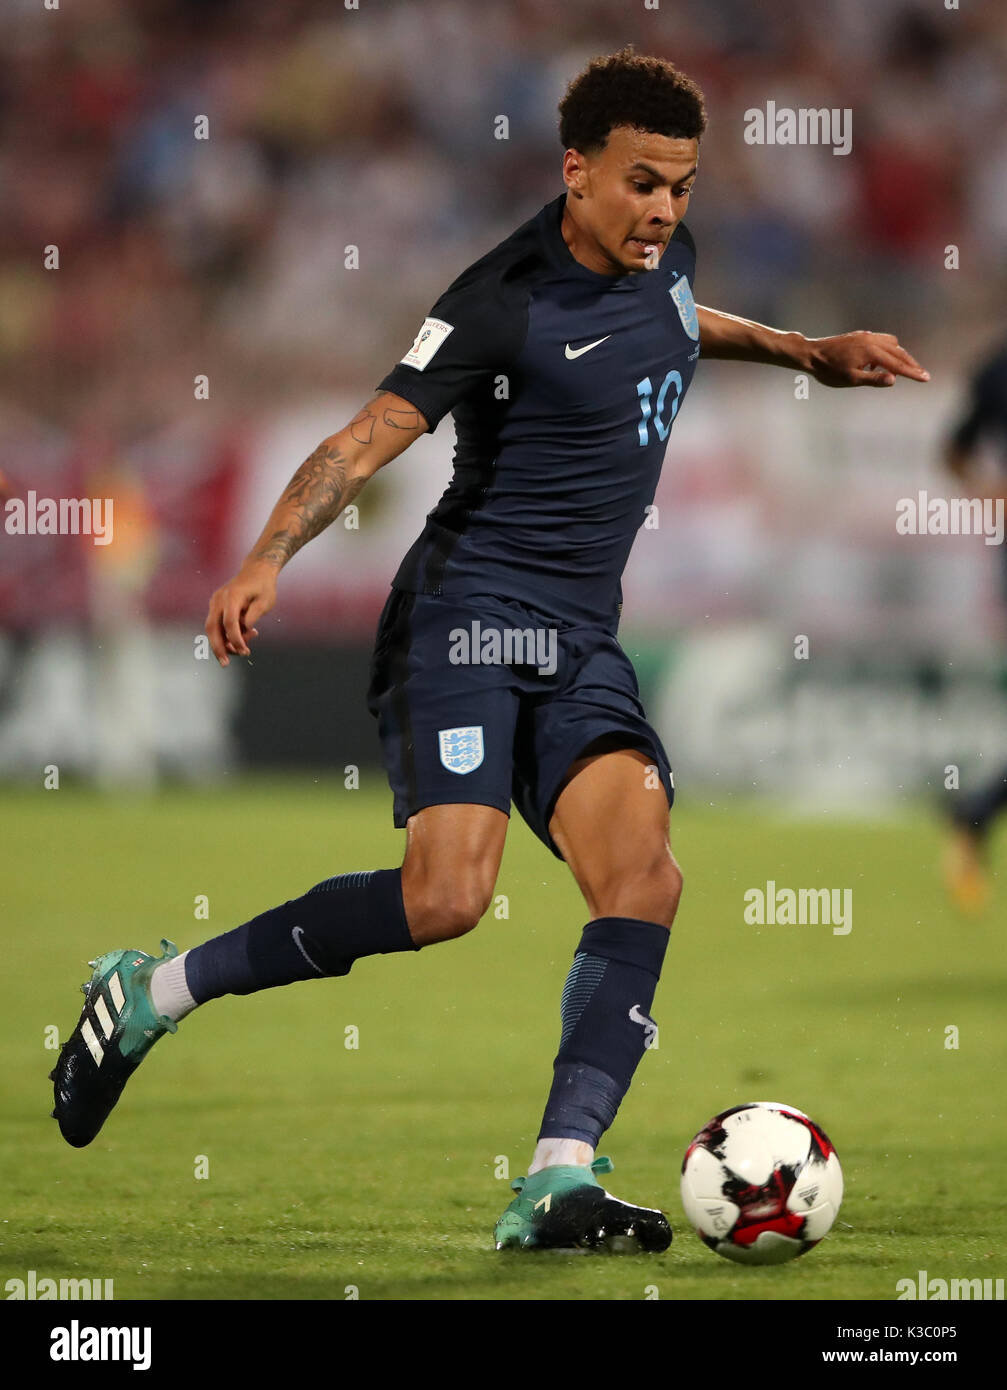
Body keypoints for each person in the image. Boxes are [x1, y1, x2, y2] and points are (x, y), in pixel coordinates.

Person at [51, 47, 929, 1253]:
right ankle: (151, 992)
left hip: (579, 635)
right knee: (447, 898)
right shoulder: (496, 301)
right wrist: (264, 558)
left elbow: (673, 319)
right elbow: (365, 438)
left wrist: (802, 351)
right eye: (639, 183)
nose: (664, 209)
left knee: (645, 877)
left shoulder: (665, 256)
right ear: (575, 171)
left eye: (679, 185)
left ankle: (557, 1179)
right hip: (467, 616)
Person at [942, 336, 1007, 912]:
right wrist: (989, 495)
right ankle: (976, 813)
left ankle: (977, 812)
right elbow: (956, 450)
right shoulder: (997, 370)